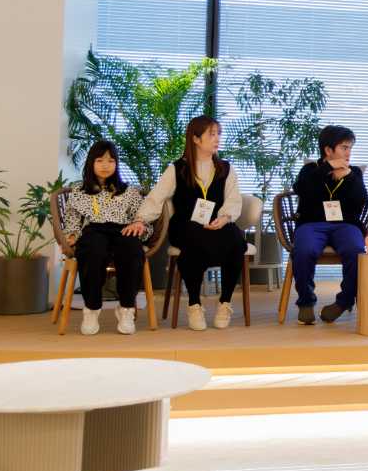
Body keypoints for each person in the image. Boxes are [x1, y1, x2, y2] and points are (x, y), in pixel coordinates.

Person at [125, 115, 246, 331]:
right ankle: (194, 304)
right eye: (212, 134)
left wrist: (225, 218)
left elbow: (234, 200)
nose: (217, 139)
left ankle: (225, 302)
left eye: (218, 134)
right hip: (185, 224)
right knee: (193, 235)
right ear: (195, 138)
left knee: (236, 239)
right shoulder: (178, 168)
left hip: (217, 222)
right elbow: (157, 197)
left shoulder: (226, 169)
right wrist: (140, 219)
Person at [62, 141, 151, 336]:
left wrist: (139, 226)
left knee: (134, 252)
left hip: (123, 229)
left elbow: (142, 217)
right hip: (93, 230)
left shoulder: (127, 191)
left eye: (111, 161)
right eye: (100, 160)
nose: (106, 165)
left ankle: (126, 308)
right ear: (91, 163)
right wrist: (71, 236)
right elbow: (71, 219)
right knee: (92, 251)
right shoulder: (79, 192)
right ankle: (91, 308)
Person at [289, 125, 368, 325]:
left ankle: (344, 302)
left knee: (356, 251)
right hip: (312, 224)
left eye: (350, 148)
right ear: (328, 150)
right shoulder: (311, 169)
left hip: (346, 225)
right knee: (303, 250)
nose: (348, 153)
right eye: (344, 148)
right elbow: (301, 191)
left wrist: (349, 177)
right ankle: (306, 303)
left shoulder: (353, 172)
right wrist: (326, 169)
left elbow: (361, 201)